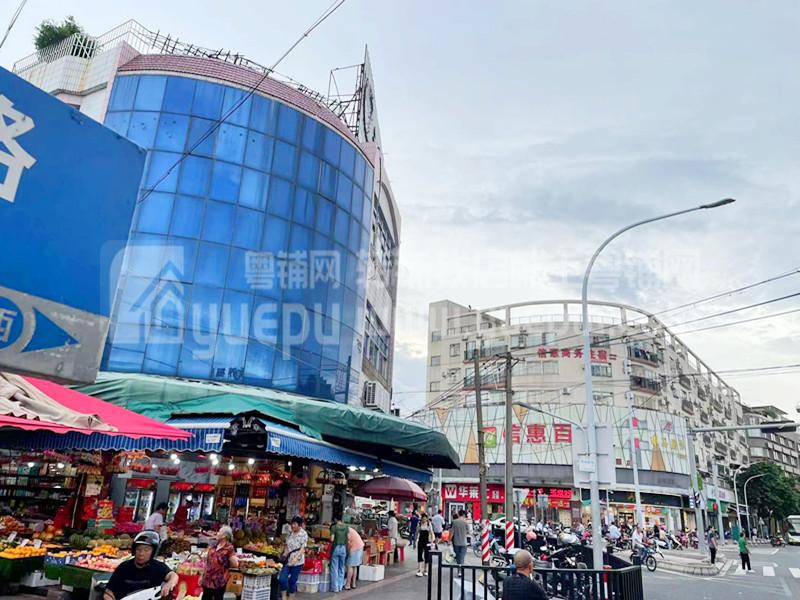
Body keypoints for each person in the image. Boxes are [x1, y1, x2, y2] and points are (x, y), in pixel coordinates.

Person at [104, 531, 178, 600]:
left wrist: (170, 583)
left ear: (153, 552)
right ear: (134, 550)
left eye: (146, 550)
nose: (141, 554)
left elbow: (173, 575)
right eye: (138, 549)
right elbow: (108, 592)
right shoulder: (123, 567)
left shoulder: (158, 567)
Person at [200, 526, 239, 600]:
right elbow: (207, 561)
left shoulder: (229, 548)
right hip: (207, 578)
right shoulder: (213, 545)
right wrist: (202, 575)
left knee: (218, 597)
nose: (217, 533)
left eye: (219, 532)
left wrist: (224, 565)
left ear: (224, 536)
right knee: (205, 597)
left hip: (219, 580)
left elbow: (235, 564)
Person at [278, 516, 308, 599]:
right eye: (292, 524)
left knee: (292, 581)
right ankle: (284, 597)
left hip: (298, 562)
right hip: (288, 560)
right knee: (282, 579)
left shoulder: (303, 534)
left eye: (295, 524)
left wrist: (296, 558)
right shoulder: (290, 533)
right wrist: (284, 555)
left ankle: (291, 598)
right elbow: (287, 545)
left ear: (299, 525)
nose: (293, 526)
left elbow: (303, 549)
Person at [329, 515, 349, 593]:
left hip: (336, 547)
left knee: (334, 567)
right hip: (343, 548)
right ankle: (340, 586)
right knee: (342, 567)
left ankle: (335, 587)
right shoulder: (346, 527)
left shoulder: (334, 527)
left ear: (335, 519)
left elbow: (332, 539)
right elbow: (348, 538)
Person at [345, 525, 364, 591]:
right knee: (355, 566)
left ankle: (347, 584)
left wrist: (348, 552)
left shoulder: (346, 531)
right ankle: (353, 584)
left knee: (350, 566)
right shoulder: (350, 529)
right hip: (360, 546)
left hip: (354, 548)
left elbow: (348, 544)